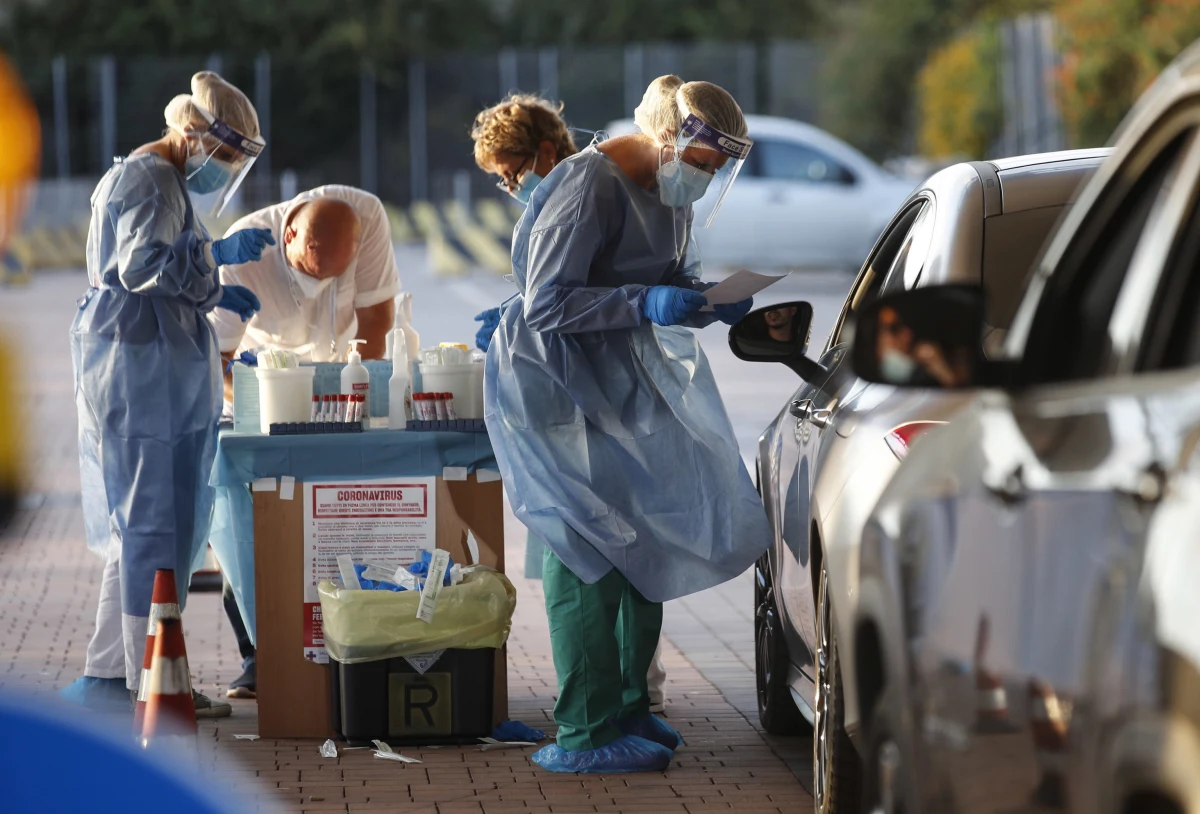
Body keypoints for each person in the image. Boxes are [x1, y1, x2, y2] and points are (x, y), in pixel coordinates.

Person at [484, 75, 768, 774]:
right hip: (554, 381)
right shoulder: (589, 186)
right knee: (586, 547)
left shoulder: (667, 197)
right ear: (666, 140)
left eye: (713, 171)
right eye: (699, 165)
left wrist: (704, 299)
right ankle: (584, 730)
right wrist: (646, 303)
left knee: (642, 537)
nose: (701, 181)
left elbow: (667, 277)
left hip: (617, 381)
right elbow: (547, 306)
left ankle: (627, 706)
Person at [63, 71, 271, 717]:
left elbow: (158, 260)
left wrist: (208, 278)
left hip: (151, 358)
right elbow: (143, 267)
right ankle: (145, 681)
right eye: (225, 154)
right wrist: (214, 262)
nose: (223, 169)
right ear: (192, 135)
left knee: (149, 527)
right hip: (142, 365)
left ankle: (110, 672)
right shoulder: (150, 178)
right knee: (154, 523)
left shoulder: (160, 178)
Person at [469, 93, 674, 715]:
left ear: (546, 151)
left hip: (588, 390)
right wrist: (516, 315)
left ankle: (604, 715)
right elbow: (561, 291)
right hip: (583, 387)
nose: (509, 184)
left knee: (593, 553)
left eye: (511, 169)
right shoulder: (585, 187)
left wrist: (657, 300)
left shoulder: (584, 187)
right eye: (500, 177)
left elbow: (560, 300)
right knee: (597, 546)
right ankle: (613, 708)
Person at [207, 186, 400, 697]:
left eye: (334, 274)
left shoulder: (368, 216)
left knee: (332, 518)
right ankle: (257, 652)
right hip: (257, 389)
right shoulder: (244, 248)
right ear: (288, 236)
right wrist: (270, 399)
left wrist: (356, 391)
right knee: (248, 526)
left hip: (334, 391)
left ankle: (345, 640)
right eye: (312, 270)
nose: (321, 283)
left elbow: (378, 322)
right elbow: (218, 360)